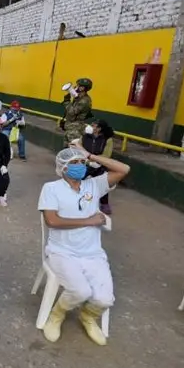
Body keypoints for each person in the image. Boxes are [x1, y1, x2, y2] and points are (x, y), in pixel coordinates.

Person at [38, 146, 131, 346]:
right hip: (62, 252)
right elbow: (52, 221)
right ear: (62, 168)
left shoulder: (93, 185)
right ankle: (57, 314)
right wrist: (89, 221)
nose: (80, 166)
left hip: (92, 254)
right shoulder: (51, 188)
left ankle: (88, 316)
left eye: (82, 162)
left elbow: (124, 169)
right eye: (74, 163)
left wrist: (89, 155)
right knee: (81, 292)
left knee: (105, 300)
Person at [81, 120, 116, 215]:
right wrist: (88, 161)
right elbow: (79, 149)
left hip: (100, 164)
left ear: (99, 129)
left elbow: (106, 155)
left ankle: (104, 204)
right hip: (85, 162)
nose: (91, 127)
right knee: (77, 178)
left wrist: (96, 161)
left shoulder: (107, 139)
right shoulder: (85, 136)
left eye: (94, 125)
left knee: (103, 181)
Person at [63, 77, 93, 143]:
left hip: (75, 128)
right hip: (70, 126)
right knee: (66, 148)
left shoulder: (85, 101)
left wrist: (67, 101)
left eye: (79, 86)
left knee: (74, 148)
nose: (76, 87)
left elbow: (72, 112)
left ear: (83, 88)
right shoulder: (78, 98)